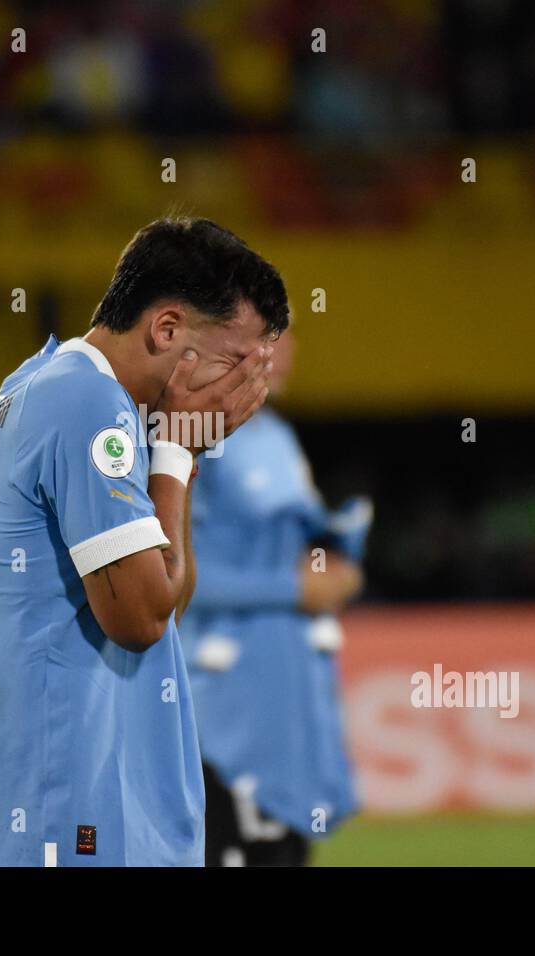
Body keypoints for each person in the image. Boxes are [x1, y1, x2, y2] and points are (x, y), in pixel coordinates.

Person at [0, 217, 288, 866]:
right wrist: (178, 449)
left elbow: (162, 602)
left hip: (61, 796)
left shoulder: (44, 382)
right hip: (69, 804)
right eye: (231, 360)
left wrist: (172, 455)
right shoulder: (87, 401)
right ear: (166, 330)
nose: (239, 390)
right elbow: (138, 618)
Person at [180, 331, 366, 865]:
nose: (281, 351)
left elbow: (291, 549)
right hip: (225, 702)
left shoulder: (279, 437)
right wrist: (295, 588)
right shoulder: (193, 438)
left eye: (287, 336)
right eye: (264, 336)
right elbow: (178, 576)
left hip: (288, 697)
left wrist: (335, 561)